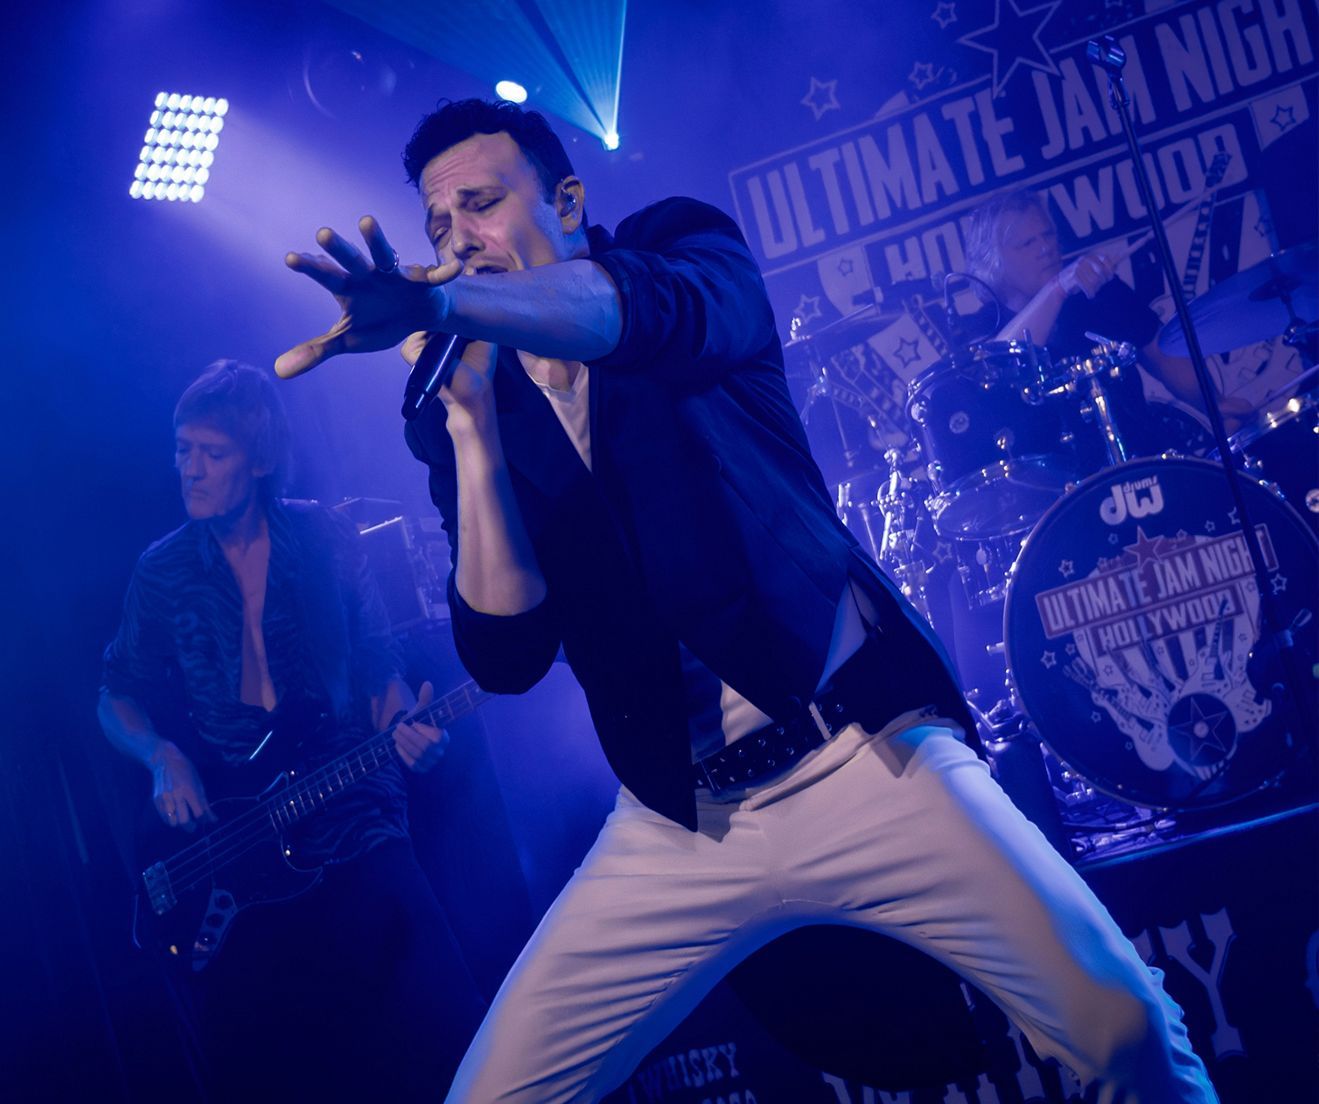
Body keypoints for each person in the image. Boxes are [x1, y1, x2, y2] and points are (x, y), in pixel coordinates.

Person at [275, 98, 1220, 1102]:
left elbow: (631, 316)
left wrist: (448, 307)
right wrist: (466, 432)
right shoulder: (477, 396)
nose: (457, 239)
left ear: (565, 200)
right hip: (677, 819)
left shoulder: (680, 250)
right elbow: (504, 657)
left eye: (480, 202)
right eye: (436, 227)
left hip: (864, 754)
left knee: (1124, 1030)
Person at [98, 360, 485, 1101]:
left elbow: (377, 666)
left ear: (261, 458)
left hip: (357, 818)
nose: (191, 469)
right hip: (236, 846)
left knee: (448, 1040)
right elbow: (114, 692)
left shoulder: (323, 535)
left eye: (212, 453)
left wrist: (407, 727)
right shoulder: (162, 571)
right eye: (183, 450)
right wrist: (161, 755)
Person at [963, 188, 1251, 466]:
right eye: (1027, 244)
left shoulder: (1099, 292)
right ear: (993, 262)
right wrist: (1057, 288)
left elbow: (1163, 355)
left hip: (1144, 460)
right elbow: (1003, 364)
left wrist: (1214, 404)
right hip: (1058, 497)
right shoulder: (982, 329)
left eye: (1048, 235)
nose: (1046, 249)